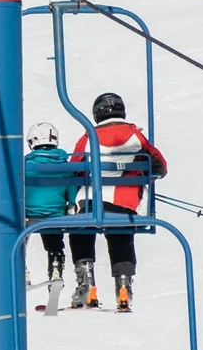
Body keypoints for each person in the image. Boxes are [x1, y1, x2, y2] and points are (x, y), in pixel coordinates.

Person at [68, 92, 168, 312]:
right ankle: (123, 287)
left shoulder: (89, 138)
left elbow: (73, 168)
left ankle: (86, 283)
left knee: (80, 230)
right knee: (121, 233)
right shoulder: (136, 137)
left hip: (92, 204)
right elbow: (160, 165)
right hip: (125, 206)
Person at [24, 120, 82, 290]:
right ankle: (56, 265)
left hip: (28, 214)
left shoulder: (24, 166)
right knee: (53, 233)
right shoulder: (65, 165)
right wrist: (71, 204)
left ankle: (21, 267)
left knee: (19, 234)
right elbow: (72, 190)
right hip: (56, 215)